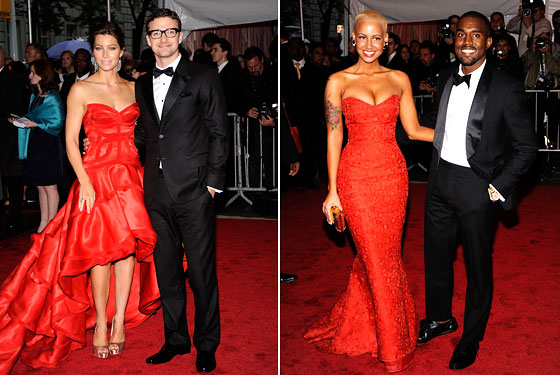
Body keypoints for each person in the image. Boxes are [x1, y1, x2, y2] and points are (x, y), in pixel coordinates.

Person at [0, 22, 160, 372]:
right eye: (99, 48)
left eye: (111, 48)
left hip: (131, 177)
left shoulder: (136, 89)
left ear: (122, 52)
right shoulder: (80, 89)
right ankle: (101, 321)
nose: (105, 54)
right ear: (94, 51)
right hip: (96, 178)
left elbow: (151, 135)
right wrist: (84, 181)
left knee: (127, 251)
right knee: (101, 254)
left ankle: (119, 321)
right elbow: (71, 140)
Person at [304, 10, 434, 373]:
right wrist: (332, 190)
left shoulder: (399, 78)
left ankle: (365, 325)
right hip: (355, 178)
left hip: (393, 177)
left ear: (387, 39)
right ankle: (394, 348)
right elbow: (334, 134)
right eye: (363, 37)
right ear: (353, 39)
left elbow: (413, 129)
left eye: (377, 38)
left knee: (385, 257)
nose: (370, 45)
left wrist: (459, 136)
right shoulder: (337, 81)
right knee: (376, 259)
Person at [417, 12, 538, 370]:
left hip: (477, 186)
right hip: (440, 181)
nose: (466, 41)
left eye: (475, 35)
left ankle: (470, 339)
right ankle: (440, 319)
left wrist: (498, 187)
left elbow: (527, 149)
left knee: (477, 267)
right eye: (460, 35)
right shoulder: (444, 76)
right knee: (436, 258)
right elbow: (441, 130)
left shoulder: (506, 87)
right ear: (452, 40)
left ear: (488, 42)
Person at [135, 8, 228, 373]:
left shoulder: (203, 76)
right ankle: (175, 339)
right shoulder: (142, 83)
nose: (163, 39)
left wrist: (213, 185)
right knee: (167, 270)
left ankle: (207, 344)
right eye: (156, 33)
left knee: (202, 273)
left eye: (169, 32)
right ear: (147, 39)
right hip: (156, 191)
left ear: (181, 35)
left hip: (194, 190)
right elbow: (145, 133)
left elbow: (220, 131)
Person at [10, 60, 64, 233]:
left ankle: (53, 223)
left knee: (50, 185)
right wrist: (20, 119)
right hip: (36, 142)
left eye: (33, 72)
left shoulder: (53, 96)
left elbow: (57, 121)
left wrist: (32, 123)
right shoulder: (34, 96)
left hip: (48, 142)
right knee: (40, 184)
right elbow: (34, 117)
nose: (30, 76)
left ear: (42, 75)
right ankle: (44, 221)